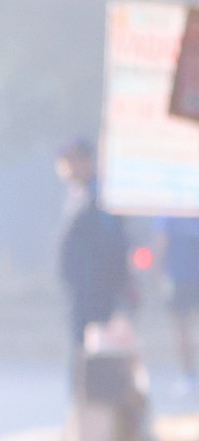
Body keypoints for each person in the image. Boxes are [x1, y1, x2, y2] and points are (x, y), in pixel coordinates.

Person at [55, 140, 133, 377]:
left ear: (86, 161)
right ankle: (82, 390)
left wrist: (121, 280)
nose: (65, 168)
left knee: (98, 345)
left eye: (71, 161)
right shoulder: (77, 194)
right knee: (80, 343)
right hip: (80, 286)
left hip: (98, 285)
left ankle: (97, 390)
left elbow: (114, 240)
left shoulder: (101, 195)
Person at [156, 213, 199, 397]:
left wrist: (158, 272)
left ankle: (188, 376)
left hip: (178, 278)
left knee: (182, 330)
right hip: (182, 277)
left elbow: (161, 243)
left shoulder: (169, 213)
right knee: (182, 331)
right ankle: (188, 376)